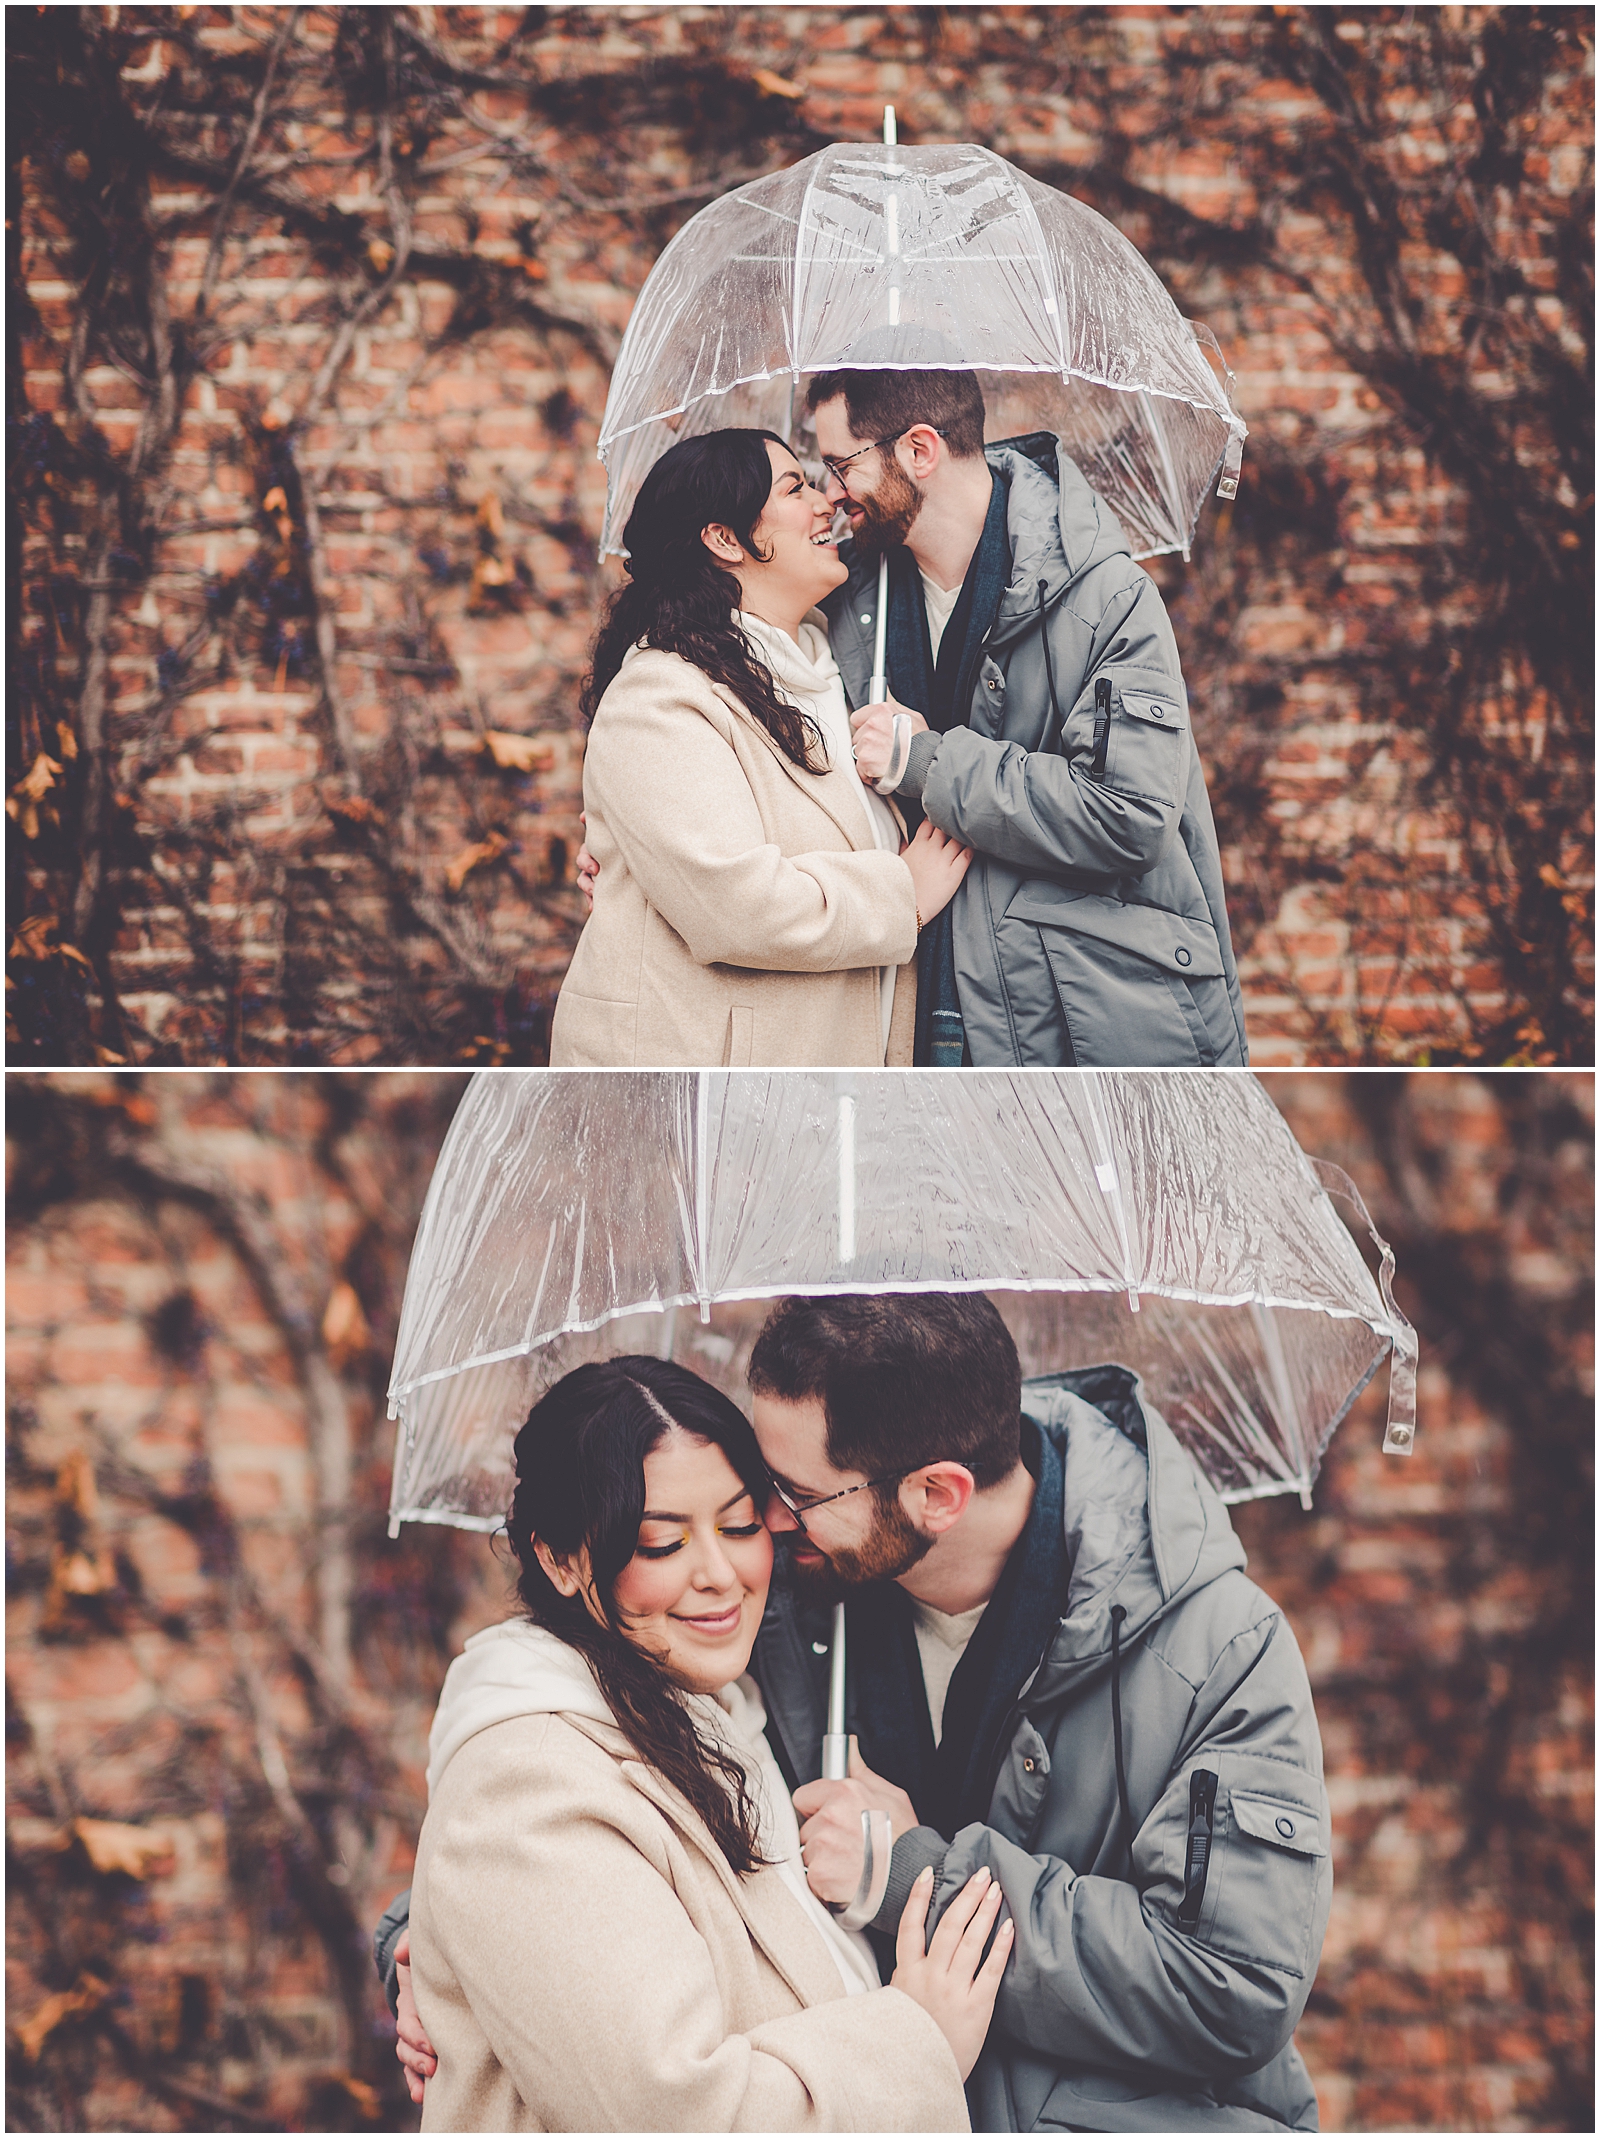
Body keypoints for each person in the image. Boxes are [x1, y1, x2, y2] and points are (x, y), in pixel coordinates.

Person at [381, 1296, 1331, 2133]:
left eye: (785, 1498)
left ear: (935, 1495)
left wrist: (910, 1875)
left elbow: (1234, 1988)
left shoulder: (1213, 1650)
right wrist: (438, 1940)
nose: (763, 1532)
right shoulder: (787, 1596)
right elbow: (601, 1799)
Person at [399, 1353, 1002, 2131]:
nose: (720, 1573)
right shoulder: (527, 1785)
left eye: (741, 1524)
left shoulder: (718, 1715)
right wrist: (919, 2043)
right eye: (660, 1543)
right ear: (556, 1557)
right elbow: (673, 2114)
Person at [808, 366, 1250, 1067]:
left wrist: (928, 764)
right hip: (893, 1015)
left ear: (919, 452)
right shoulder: (841, 598)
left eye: (840, 465)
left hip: (1067, 1025)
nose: (828, 493)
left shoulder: (1105, 597)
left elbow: (1129, 814)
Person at [547, 429, 971, 1067]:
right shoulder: (660, 695)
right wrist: (901, 895)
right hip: (698, 1084)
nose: (827, 501)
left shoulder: (836, 680)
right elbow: (734, 905)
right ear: (725, 539)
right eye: (794, 488)